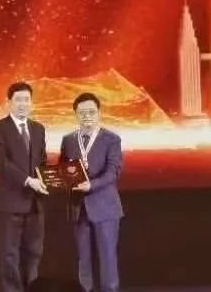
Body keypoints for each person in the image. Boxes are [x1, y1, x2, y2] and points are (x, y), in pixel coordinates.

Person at [0, 81, 49, 292]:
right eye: (18, 100)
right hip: (9, 204)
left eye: (26, 100)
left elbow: (42, 161)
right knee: (9, 256)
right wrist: (28, 180)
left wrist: (49, 179)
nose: (23, 104)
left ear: (31, 102)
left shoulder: (38, 129)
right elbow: (0, 163)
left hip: (35, 205)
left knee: (34, 254)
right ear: (9, 103)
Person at [60, 92, 124, 292]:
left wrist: (91, 185)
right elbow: (64, 168)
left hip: (105, 207)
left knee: (107, 257)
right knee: (83, 259)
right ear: (76, 115)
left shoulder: (111, 139)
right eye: (82, 113)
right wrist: (58, 179)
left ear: (99, 113)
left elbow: (113, 172)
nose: (87, 116)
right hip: (78, 207)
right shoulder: (69, 140)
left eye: (91, 112)